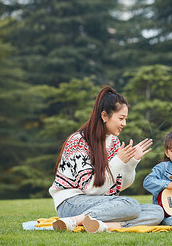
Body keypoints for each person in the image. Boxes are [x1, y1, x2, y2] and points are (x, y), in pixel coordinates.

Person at [49, 86, 164, 233]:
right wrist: (119, 161)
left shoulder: (114, 142)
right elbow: (90, 189)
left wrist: (131, 162)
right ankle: (75, 220)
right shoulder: (78, 141)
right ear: (104, 116)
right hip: (71, 204)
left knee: (157, 211)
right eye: (121, 118)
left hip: (99, 203)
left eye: (125, 119)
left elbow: (119, 186)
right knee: (131, 204)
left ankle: (104, 226)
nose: (124, 123)